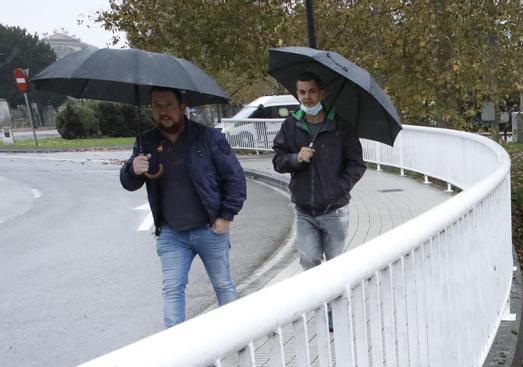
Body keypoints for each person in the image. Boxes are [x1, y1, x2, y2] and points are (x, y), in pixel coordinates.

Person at [120, 86, 246, 328]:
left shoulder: (208, 138)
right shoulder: (145, 142)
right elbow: (129, 182)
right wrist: (132, 170)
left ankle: (236, 337)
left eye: (167, 104)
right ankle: (175, 351)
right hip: (171, 233)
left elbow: (235, 178)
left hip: (209, 228)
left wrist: (226, 216)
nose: (162, 111)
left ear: (182, 107)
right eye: (156, 105)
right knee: (172, 290)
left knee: (223, 284)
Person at [272, 71, 366, 271]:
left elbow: (356, 164)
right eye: (302, 92)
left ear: (322, 94)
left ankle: (338, 302)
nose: (307, 97)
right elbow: (278, 161)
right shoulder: (290, 125)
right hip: (305, 211)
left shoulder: (340, 126)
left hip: (335, 210)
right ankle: (320, 304)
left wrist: (338, 188)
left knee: (335, 267)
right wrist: (295, 158)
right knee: (309, 261)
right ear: (297, 94)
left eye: (312, 91)